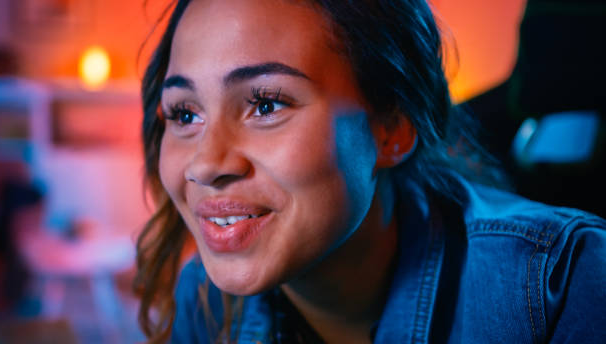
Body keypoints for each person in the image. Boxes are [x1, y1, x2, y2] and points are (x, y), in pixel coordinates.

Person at [133, 0, 606, 343]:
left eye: (265, 103)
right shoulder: (206, 301)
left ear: (392, 127)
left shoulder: (562, 286)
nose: (207, 164)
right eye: (185, 114)